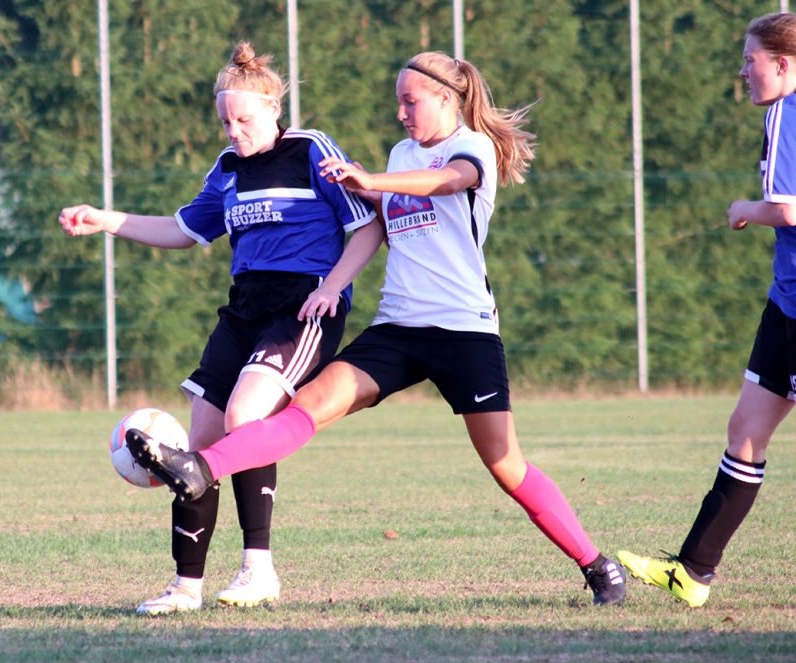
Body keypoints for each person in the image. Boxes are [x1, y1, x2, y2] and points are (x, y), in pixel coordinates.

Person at [129, 51, 627, 605]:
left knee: (506, 465)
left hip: (463, 331)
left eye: (410, 101)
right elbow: (383, 215)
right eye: (398, 102)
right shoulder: (401, 154)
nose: (400, 113)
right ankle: (200, 468)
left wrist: (373, 179)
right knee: (304, 408)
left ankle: (597, 565)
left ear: (445, 97)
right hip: (397, 327)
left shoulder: (471, 147)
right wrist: (362, 190)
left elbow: (448, 181)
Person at [59, 41, 382, 615]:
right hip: (244, 307)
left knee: (245, 416)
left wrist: (332, 288)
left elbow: (369, 223)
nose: (234, 131)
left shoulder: (311, 149)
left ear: (273, 110)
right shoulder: (227, 169)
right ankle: (186, 587)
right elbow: (183, 230)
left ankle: (259, 569)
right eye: (226, 122)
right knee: (201, 442)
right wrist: (106, 220)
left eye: (244, 119)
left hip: (303, 306)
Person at [616, 13, 796, 608]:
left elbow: (789, 209)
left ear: (782, 64)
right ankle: (693, 572)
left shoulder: (787, 111)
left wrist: (744, 207)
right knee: (745, 432)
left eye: (750, 59)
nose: (743, 71)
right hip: (786, 304)